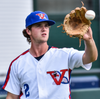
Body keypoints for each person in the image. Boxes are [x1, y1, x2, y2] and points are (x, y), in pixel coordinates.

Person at [2, 11, 98, 99]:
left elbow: (90, 57)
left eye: (46, 25)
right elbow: (11, 96)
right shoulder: (17, 64)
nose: (44, 29)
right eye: (38, 25)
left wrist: (89, 40)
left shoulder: (64, 55)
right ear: (28, 31)